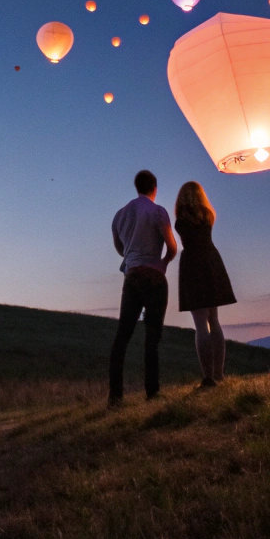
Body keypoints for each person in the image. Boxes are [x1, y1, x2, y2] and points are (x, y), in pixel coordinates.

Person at [108, 169, 177, 405]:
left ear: (136, 186)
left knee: (122, 336)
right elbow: (172, 247)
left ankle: (115, 395)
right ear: (154, 188)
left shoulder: (120, 215)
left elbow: (119, 247)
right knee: (152, 335)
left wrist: (131, 255)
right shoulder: (158, 212)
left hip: (132, 275)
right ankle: (152, 392)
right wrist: (164, 262)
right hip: (153, 275)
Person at [174, 182, 237, 387]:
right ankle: (218, 374)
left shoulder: (182, 219)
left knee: (201, 324)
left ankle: (208, 378)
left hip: (193, 264)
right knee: (214, 320)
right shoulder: (209, 216)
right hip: (211, 260)